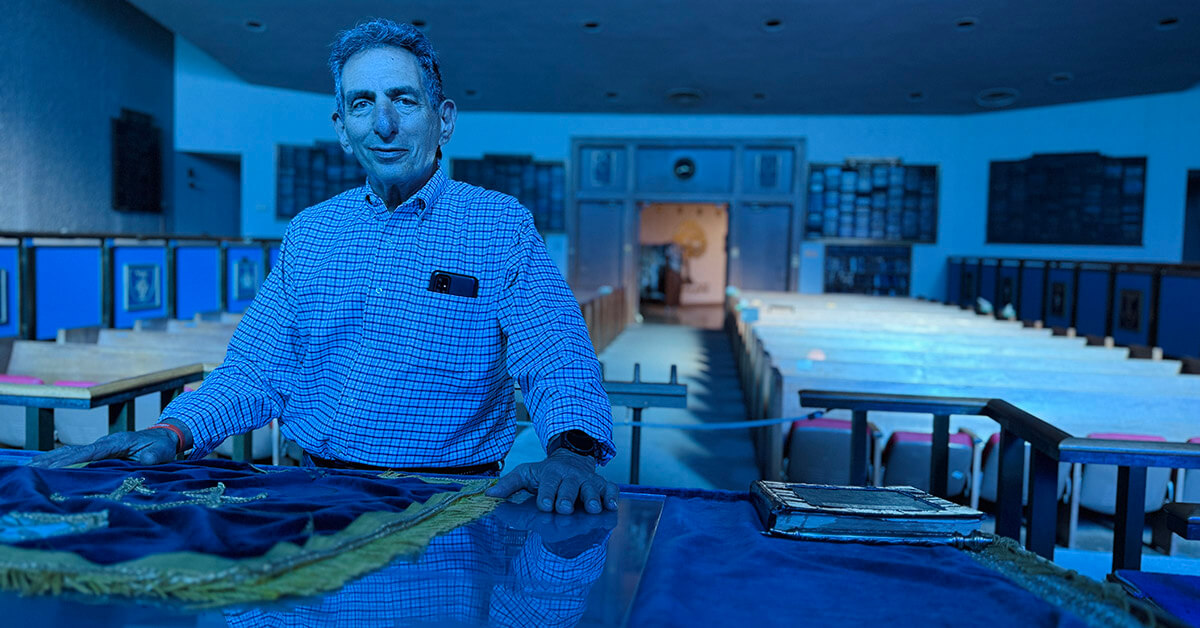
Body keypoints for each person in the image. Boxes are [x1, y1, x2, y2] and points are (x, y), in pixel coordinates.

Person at [32, 18, 618, 516]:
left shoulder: (499, 225)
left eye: (403, 100)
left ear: (443, 119)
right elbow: (256, 373)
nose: (383, 123)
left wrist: (572, 452)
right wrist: (172, 431)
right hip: (317, 492)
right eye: (362, 104)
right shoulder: (312, 233)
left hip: (451, 498)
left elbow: (555, 352)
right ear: (343, 130)